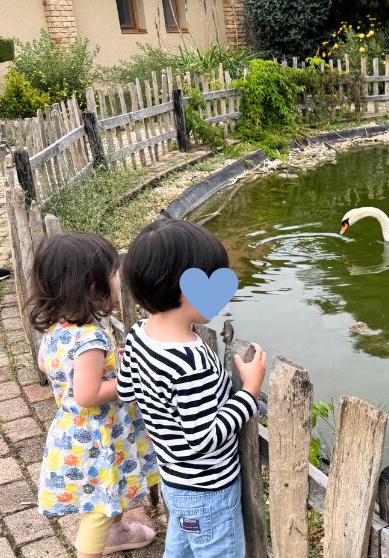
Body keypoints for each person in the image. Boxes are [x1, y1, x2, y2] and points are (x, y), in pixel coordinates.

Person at [117, 219, 266, 558]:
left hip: (173, 478)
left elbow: (127, 390)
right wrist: (249, 393)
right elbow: (202, 440)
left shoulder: (139, 333)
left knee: (182, 547)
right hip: (208, 491)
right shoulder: (189, 361)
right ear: (187, 291)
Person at [29, 234, 159, 558]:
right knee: (99, 507)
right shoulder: (89, 339)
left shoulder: (55, 328)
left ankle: (117, 534)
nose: (117, 279)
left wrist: (114, 361)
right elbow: (87, 394)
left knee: (108, 488)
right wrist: (131, 378)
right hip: (95, 435)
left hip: (77, 430)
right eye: (113, 274)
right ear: (92, 286)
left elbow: (46, 364)